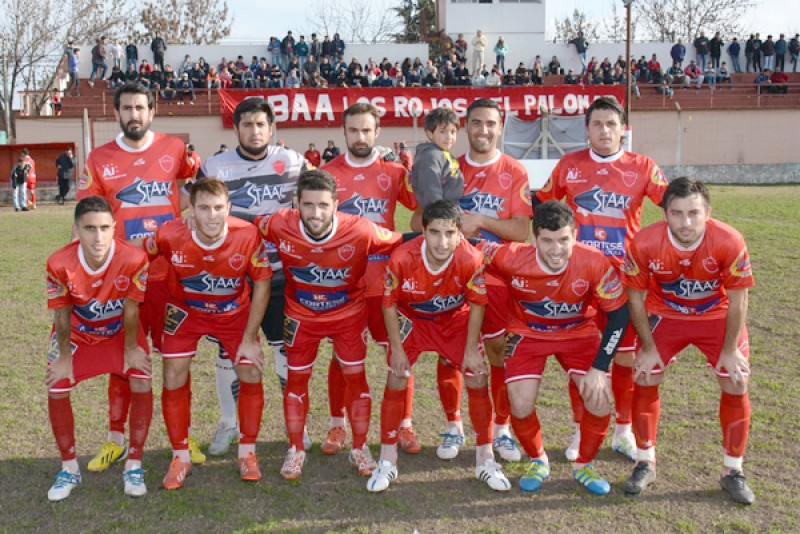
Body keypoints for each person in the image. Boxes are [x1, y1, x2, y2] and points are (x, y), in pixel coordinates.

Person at [533, 96, 668, 464]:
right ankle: (581, 429)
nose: (605, 130)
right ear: (587, 129)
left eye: (611, 124)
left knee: (624, 357)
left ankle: (623, 431)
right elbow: (541, 203)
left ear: (623, 130)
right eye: (597, 124)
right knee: (584, 356)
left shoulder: (642, 166)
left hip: (625, 279)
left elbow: (672, 206)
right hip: (579, 278)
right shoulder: (569, 165)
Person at [77, 82, 198, 471]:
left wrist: (185, 218)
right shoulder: (99, 158)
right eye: (127, 108)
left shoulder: (174, 148)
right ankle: (115, 440)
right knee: (122, 358)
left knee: (177, 360)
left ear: (152, 111)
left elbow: (189, 189)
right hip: (123, 278)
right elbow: (87, 216)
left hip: (169, 275)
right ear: (116, 112)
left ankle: (182, 438)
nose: (134, 115)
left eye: (140, 107)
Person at [258, 169, 402, 480]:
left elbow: (402, 240)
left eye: (323, 205)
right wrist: (196, 222)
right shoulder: (279, 223)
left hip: (347, 316)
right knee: (296, 381)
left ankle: (360, 448)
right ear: (297, 204)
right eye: (308, 205)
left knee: (356, 379)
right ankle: (295, 449)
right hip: (301, 316)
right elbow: (242, 226)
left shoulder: (361, 230)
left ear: (336, 205)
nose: (316, 213)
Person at [621, 177, 756, 505]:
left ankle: (732, 470)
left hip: (716, 315)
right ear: (664, 214)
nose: (686, 222)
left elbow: (739, 299)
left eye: (694, 213)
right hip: (666, 313)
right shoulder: (644, 242)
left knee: (736, 379)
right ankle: (645, 461)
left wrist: (729, 351)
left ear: (707, 213)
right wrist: (648, 348)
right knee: (645, 373)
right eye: (677, 213)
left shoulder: (729, 240)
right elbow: (635, 298)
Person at [190, 98, 309, 457]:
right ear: (236, 128)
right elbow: (195, 208)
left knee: (284, 348)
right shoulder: (216, 166)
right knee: (228, 351)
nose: (254, 131)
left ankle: (295, 425)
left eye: (260, 124)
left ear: (271, 128)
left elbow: (319, 199)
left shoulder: (294, 162)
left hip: (280, 274)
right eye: (247, 125)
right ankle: (229, 422)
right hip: (233, 277)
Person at [484, 200, 629, 495]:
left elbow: (619, 315)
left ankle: (584, 465)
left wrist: (599, 367)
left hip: (578, 333)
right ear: (534, 238)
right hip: (528, 333)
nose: (556, 249)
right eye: (547, 241)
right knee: (520, 403)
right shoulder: (510, 257)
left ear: (575, 235)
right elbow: (462, 245)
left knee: (599, 398)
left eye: (563, 240)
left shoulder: (593, 261)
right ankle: (538, 460)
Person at [368, 200, 510, 493]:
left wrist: (470, 350)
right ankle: (387, 459)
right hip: (414, 320)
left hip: (453, 321)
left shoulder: (471, 259)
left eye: (449, 233)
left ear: (460, 234)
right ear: (423, 231)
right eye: (434, 233)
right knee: (396, 375)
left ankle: (485, 458)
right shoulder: (402, 258)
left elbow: (478, 304)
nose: (442, 242)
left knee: (477, 375)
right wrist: (396, 348)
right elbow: (389, 304)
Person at [144, 178, 270, 490]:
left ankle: (247, 452)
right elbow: (137, 254)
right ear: (191, 209)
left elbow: (262, 283)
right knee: (173, 373)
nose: (212, 216)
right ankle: (180, 456)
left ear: (229, 207)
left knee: (250, 370)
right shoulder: (169, 233)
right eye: (203, 208)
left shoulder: (247, 235)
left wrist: (250, 339)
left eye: (217, 208)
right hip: (186, 311)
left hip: (232, 313)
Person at [432, 98, 532, 463]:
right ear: (466, 126)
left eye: (491, 123)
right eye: (476, 123)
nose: (483, 130)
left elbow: (521, 231)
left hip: (498, 278)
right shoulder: (448, 167)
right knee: (451, 351)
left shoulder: (514, 171)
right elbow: (417, 221)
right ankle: (453, 424)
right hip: (452, 275)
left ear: (500, 127)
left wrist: (481, 222)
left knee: (498, 350)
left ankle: (502, 429)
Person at [320, 103, 419, 456]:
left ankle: (404, 424)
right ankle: (337, 424)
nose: (360, 137)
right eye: (353, 130)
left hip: (386, 282)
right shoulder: (327, 173)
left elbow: (421, 208)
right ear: (344, 132)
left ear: (377, 133)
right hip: (344, 283)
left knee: (398, 351)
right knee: (341, 357)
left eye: (366, 130)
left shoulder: (394, 172)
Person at [44, 196, 152, 500]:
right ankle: (69, 468)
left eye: (105, 228)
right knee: (57, 385)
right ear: (77, 229)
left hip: (120, 332)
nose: (98, 237)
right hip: (79, 334)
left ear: (114, 227)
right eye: (90, 228)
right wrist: (64, 356)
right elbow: (61, 312)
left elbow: (131, 308)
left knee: (142, 379)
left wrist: (130, 349)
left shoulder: (134, 258)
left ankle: (134, 463)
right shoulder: (58, 262)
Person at [411, 107, 464, 211]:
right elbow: (430, 187)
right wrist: (438, 212)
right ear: (430, 134)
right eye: (442, 132)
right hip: (441, 213)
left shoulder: (444, 154)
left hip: (451, 210)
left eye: (453, 132)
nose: (449, 137)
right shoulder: (430, 156)